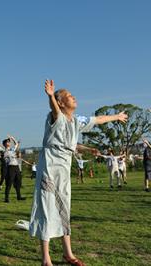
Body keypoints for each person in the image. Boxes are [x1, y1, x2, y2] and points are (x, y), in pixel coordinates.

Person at [29, 79, 127, 266]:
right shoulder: (54, 117)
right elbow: (55, 111)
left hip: (64, 168)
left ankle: (68, 254)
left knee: (64, 207)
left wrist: (116, 117)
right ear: (61, 103)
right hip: (49, 167)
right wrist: (51, 96)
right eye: (69, 96)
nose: (73, 97)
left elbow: (96, 121)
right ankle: (46, 259)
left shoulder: (76, 121)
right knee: (47, 209)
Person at [0, 135, 25, 202]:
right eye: (7, 142)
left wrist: (12, 138)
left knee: (18, 182)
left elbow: (16, 144)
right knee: (9, 183)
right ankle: (6, 198)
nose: (9, 143)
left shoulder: (12, 149)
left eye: (9, 142)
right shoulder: (3, 150)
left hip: (16, 167)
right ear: (4, 144)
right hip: (10, 167)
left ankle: (19, 197)